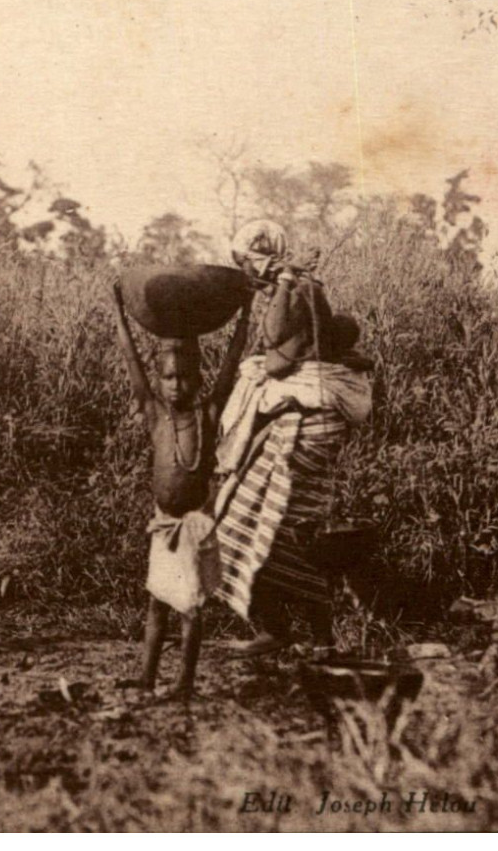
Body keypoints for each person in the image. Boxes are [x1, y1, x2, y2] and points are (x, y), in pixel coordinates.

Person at [212, 220, 374, 659]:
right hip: (295, 418)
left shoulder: (299, 287)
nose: (248, 271)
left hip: (308, 421)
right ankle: (279, 629)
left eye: (248, 261)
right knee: (248, 521)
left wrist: (285, 280)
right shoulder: (284, 287)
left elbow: (274, 338)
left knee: (279, 527)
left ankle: (317, 637)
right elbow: (274, 348)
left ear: (262, 256)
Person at [111, 279, 252, 702]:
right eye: (168, 378)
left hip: (193, 526)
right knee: (157, 603)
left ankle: (185, 682)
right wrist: (119, 309)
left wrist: (246, 314)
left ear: (197, 378)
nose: (176, 385)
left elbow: (232, 362)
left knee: (190, 607)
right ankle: (147, 678)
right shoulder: (154, 413)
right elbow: (131, 358)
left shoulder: (208, 414)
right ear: (159, 380)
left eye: (184, 377)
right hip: (163, 524)